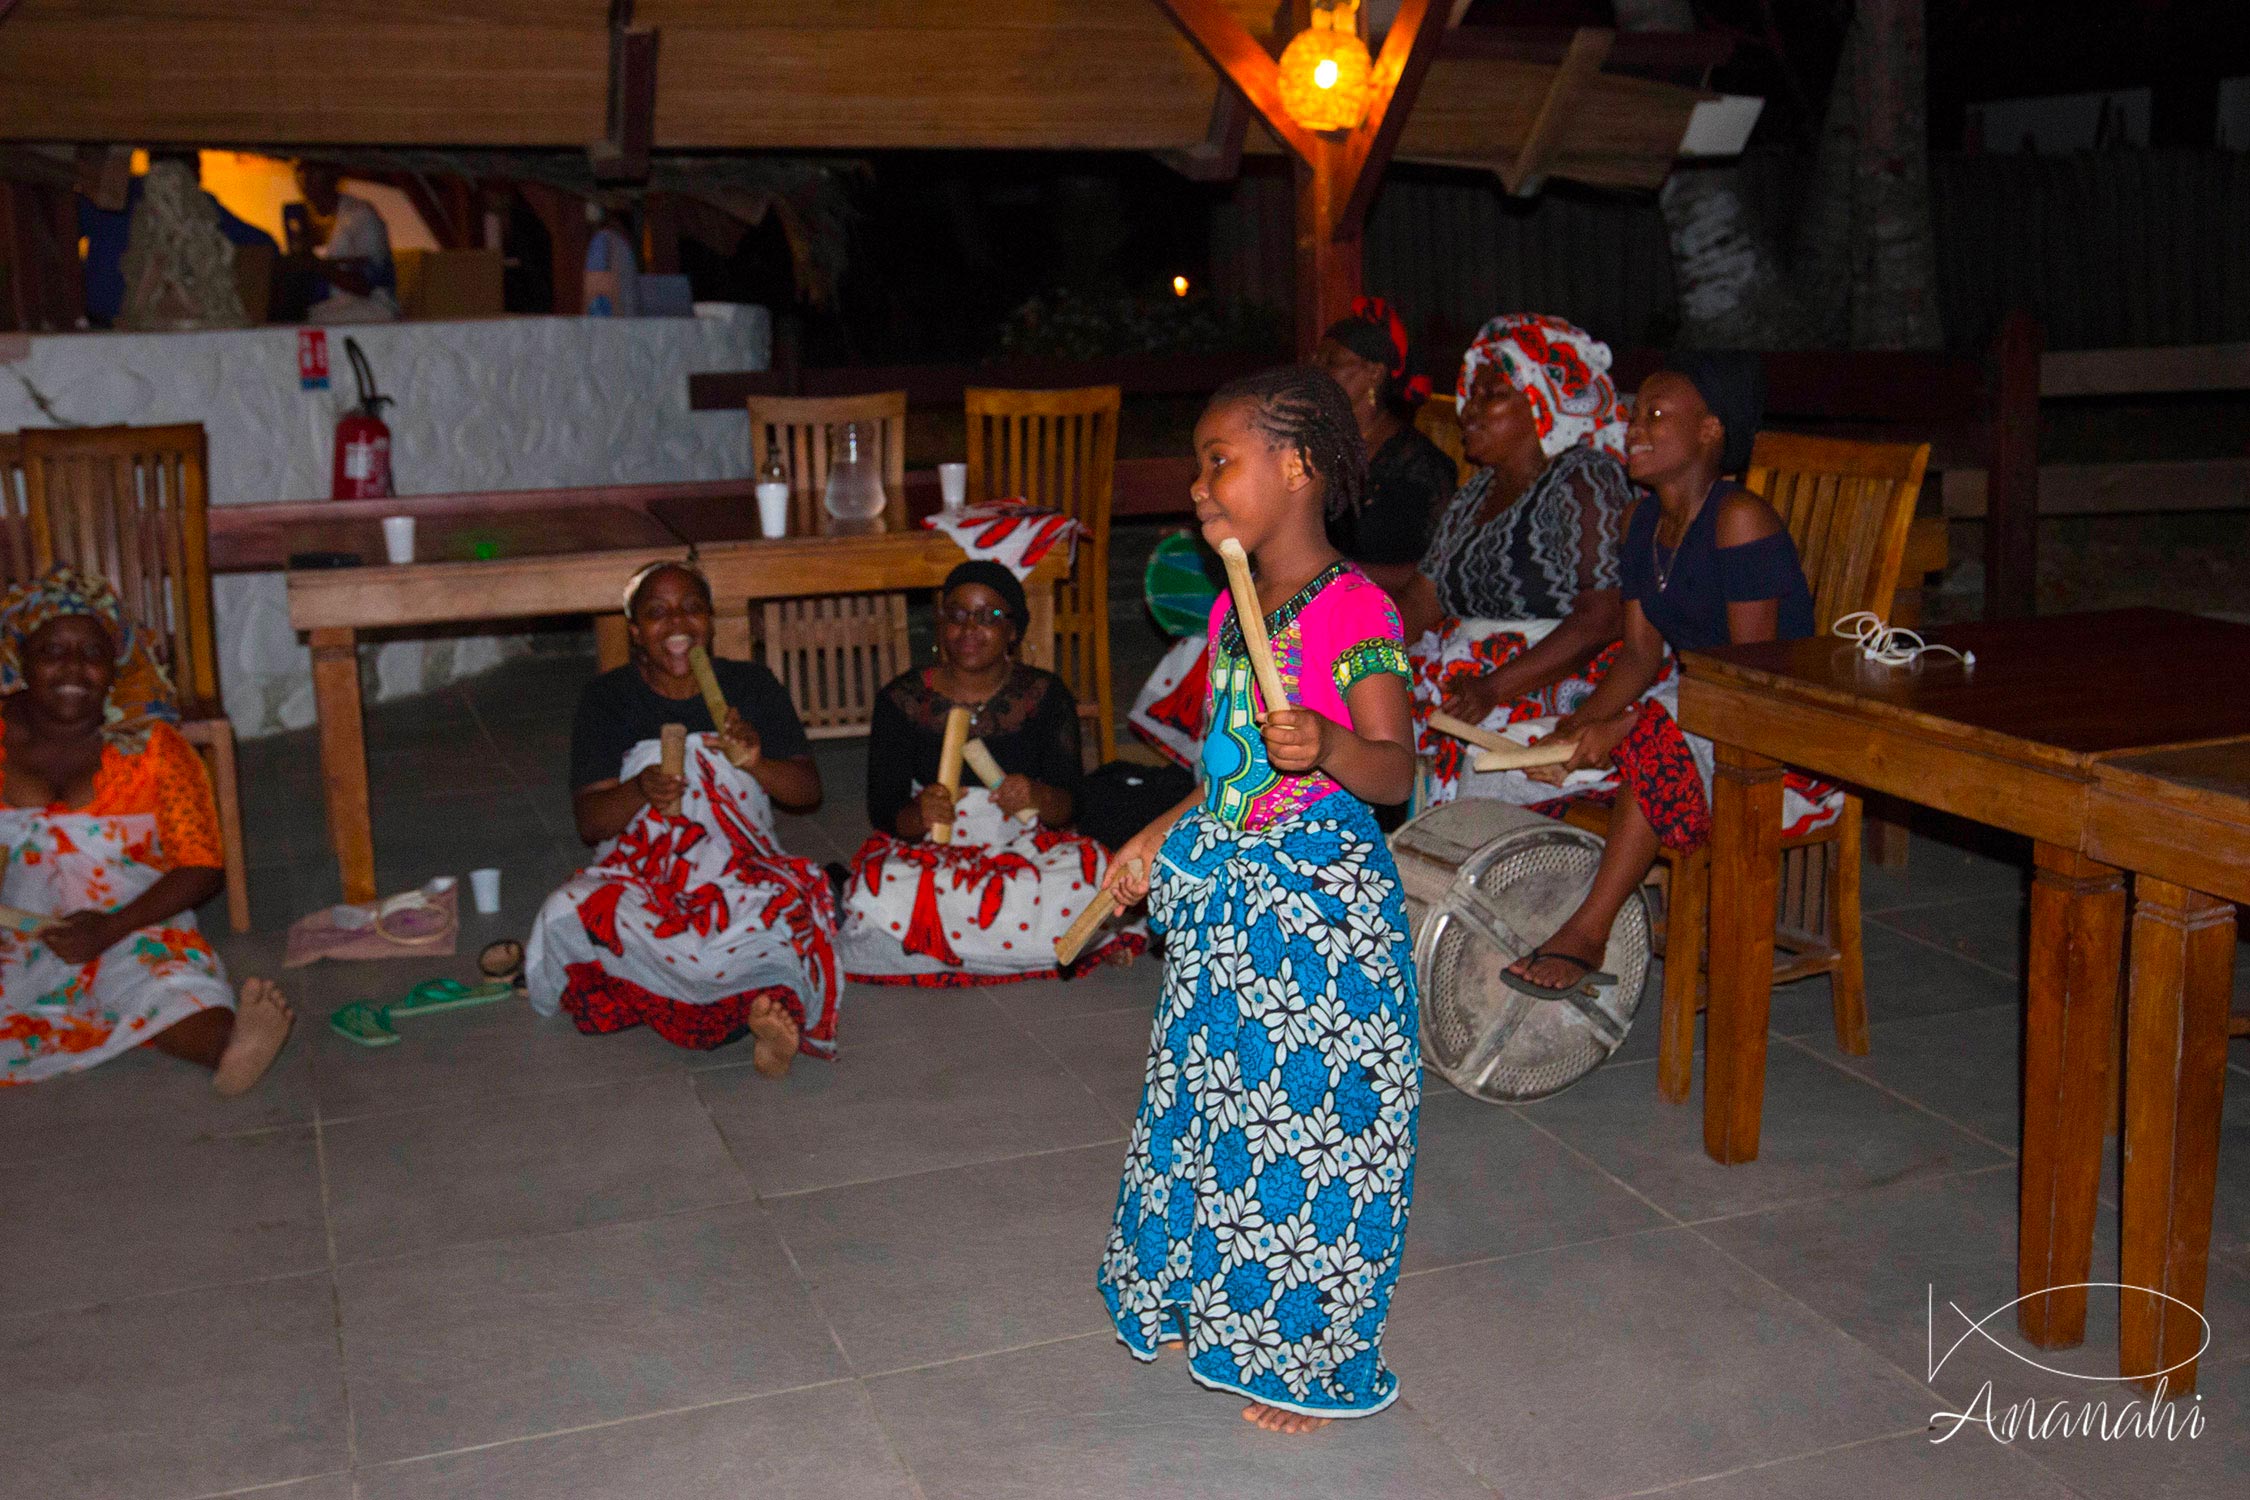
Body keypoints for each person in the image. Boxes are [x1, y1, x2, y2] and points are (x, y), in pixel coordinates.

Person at [1096, 366, 1421, 1434]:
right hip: (1233, 909)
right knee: (1219, 1116)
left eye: (1217, 460)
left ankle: (1314, 1355)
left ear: (1294, 467)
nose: (1197, 483)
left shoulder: (1353, 608)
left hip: (1317, 921)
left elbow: (1393, 772)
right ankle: (1220, 1302)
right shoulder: (1242, 615)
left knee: (1309, 1136)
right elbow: (1224, 771)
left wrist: (1327, 743)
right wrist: (1153, 836)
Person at [1496, 354, 1831, 1000]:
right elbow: (1639, 657)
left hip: (1774, 733)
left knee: (1652, 735)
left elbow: (1749, 680)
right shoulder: (1641, 522)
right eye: (1633, 415)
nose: (1634, 428)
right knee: (1517, 745)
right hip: (1688, 708)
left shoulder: (1739, 521)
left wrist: (1625, 726)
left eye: (1655, 415)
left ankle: (1590, 930)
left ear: (1709, 432)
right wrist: (1572, 731)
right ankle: (1515, 914)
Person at [525, 562, 837, 1074]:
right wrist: (639, 790)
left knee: (790, 910)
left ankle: (751, 1015)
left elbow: (806, 793)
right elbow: (592, 824)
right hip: (643, 875)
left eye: (692, 608)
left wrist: (756, 762)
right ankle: (736, 1006)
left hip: (739, 868)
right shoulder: (607, 698)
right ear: (634, 631)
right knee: (568, 911)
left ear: (710, 622)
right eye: (657, 613)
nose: (677, 625)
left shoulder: (751, 685)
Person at [0, 568, 293, 1094]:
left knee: (172, 985)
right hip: (16, 931)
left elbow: (202, 866)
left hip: (132, 922)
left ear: (114, 668)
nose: (73, 668)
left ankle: (230, 1050)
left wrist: (110, 929)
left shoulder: (153, 747)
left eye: (92, 653)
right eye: (52, 651)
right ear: (21, 660)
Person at [842, 561, 1131, 983]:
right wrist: (920, 813)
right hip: (935, 850)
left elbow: (1070, 803)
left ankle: (939, 951)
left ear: (1013, 632)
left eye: (989, 616)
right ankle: (1029, 950)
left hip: (1024, 843)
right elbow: (885, 811)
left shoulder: (1044, 695)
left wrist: (1036, 794)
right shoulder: (901, 699)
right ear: (940, 626)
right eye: (956, 615)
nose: (970, 629)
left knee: (1088, 874)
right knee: (876, 886)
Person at [1393, 314, 1640, 800]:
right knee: (1361, 712)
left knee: (1485, 761)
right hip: (1473, 681)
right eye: (1471, 393)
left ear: (1544, 402)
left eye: (1493, 395)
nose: (1469, 410)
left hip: (1553, 678)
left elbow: (1604, 619)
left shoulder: (1584, 481)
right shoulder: (1477, 491)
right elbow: (1423, 600)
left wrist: (1493, 688)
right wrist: (1360, 657)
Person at [1313, 295, 1456, 582]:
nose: (1318, 370)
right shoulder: (1317, 446)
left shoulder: (1419, 465)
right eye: (1317, 360)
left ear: (1374, 373)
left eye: (1333, 362)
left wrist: (1337, 578)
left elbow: (1436, 571)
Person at [286, 161, 400, 323]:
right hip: (327, 309)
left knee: (305, 323)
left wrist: (317, 265)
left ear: (333, 176)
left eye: (314, 172)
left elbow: (368, 285)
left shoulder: (361, 215)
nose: (305, 180)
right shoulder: (301, 218)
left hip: (370, 310)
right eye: (302, 173)